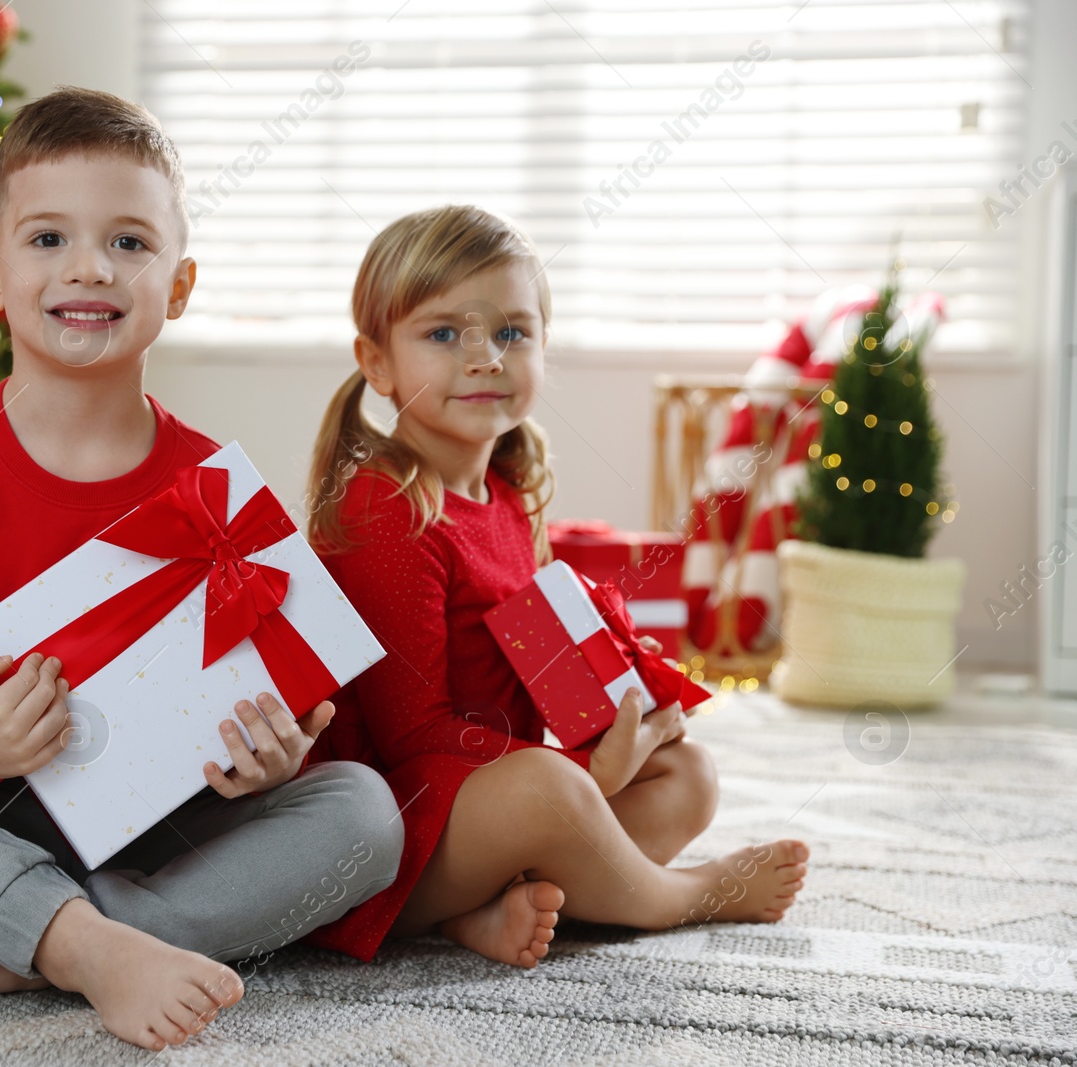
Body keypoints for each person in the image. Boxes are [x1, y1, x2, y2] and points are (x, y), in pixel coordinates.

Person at [0, 86, 404, 1053]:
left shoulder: (215, 487)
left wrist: (267, 766)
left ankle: (13, 943)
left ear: (177, 286)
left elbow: (255, 703)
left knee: (365, 815)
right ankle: (85, 943)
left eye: (129, 243)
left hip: (154, 836)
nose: (88, 266)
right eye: (48, 239)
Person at [300, 203, 810, 966]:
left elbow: (543, 669)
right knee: (544, 783)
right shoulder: (385, 506)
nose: (485, 357)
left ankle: (480, 910)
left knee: (688, 774)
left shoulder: (506, 493)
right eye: (444, 334)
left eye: (511, 331)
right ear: (377, 363)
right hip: (394, 826)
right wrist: (580, 775)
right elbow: (412, 737)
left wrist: (619, 723)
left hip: (492, 802)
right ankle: (676, 895)